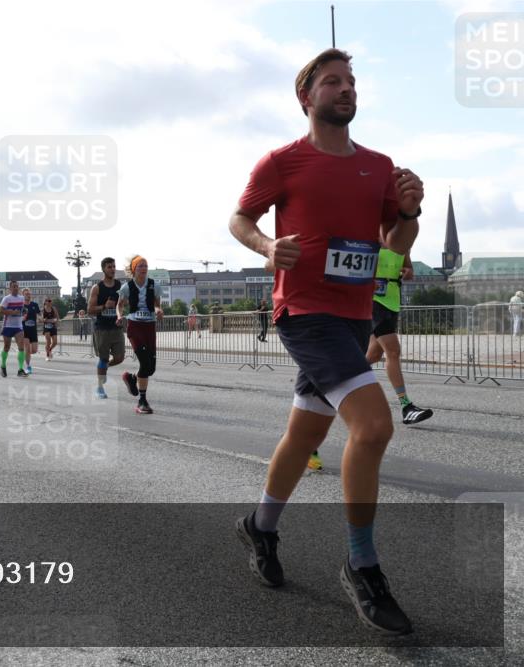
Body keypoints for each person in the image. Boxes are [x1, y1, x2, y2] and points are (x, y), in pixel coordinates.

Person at [229, 48, 421, 635]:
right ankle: (362, 564)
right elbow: (239, 219)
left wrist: (411, 211)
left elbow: (396, 242)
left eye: (351, 82)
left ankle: (260, 525)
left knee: (305, 431)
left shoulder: (380, 166)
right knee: (374, 425)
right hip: (304, 312)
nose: (346, 90)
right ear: (306, 97)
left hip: (354, 315)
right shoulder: (282, 162)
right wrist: (267, 248)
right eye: (332, 82)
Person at [367, 250, 433, 425]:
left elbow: (407, 267)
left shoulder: (403, 242)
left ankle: (335, 380)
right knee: (393, 351)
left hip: (392, 300)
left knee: (372, 356)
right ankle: (406, 406)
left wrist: (408, 271)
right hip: (372, 300)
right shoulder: (370, 236)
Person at [116, 256, 164, 414]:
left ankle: (131, 377)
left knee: (151, 368)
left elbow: (157, 304)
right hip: (135, 326)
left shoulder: (154, 285)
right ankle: (142, 402)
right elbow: (120, 305)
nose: (144, 268)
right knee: (145, 364)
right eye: (141, 266)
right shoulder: (127, 287)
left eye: (146, 265)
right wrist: (119, 316)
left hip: (149, 326)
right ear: (134, 269)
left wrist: (158, 310)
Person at [88, 257, 125, 398]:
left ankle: (104, 368)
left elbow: (121, 304)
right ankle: (100, 387)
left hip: (116, 327)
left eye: (114, 266)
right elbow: (90, 310)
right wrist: (104, 306)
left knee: (120, 357)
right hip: (102, 329)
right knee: (103, 359)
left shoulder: (119, 285)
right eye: (109, 267)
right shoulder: (97, 287)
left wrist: (121, 310)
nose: (113, 269)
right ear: (104, 269)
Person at [0, 280, 28, 378]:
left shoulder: (22, 298)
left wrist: (23, 312)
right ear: (10, 288)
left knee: (21, 347)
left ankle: (20, 369)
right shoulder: (6, 299)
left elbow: (23, 309)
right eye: (14, 286)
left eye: (17, 286)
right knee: (7, 347)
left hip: (18, 326)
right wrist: (12, 312)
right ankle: (3, 365)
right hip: (7, 325)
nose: (16, 288)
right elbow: (0, 310)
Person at [21, 288, 41, 374]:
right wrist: (22, 318)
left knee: (34, 350)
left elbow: (40, 314)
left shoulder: (34, 305)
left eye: (29, 294)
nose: (28, 295)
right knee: (27, 349)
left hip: (33, 330)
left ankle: (26, 354)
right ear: (23, 295)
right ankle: (28, 367)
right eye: (26, 294)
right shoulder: (21, 306)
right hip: (24, 330)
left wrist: (40, 318)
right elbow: (17, 317)